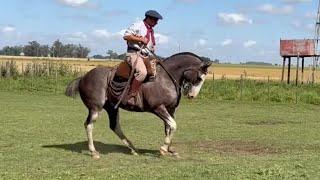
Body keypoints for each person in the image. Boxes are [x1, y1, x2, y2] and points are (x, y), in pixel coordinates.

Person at [123, 10, 163, 105]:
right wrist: (140, 39)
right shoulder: (138, 25)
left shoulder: (150, 30)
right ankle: (131, 96)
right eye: (155, 20)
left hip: (146, 55)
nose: (156, 23)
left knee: (158, 72)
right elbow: (126, 36)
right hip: (134, 54)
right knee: (142, 72)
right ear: (149, 19)